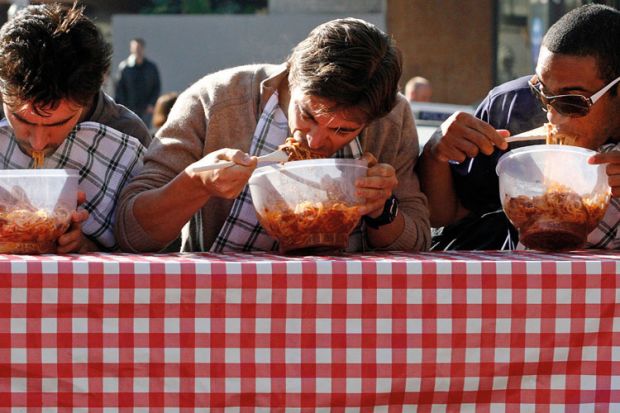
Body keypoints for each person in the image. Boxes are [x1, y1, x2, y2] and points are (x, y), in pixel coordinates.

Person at [115, 18, 431, 253]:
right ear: (291, 75)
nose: (316, 142)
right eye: (307, 116)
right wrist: (195, 184)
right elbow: (131, 232)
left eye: (342, 131)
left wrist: (381, 210)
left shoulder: (391, 120)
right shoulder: (214, 102)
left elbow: (418, 242)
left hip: (346, 301)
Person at [418, 4, 620, 250]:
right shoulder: (512, 105)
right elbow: (444, 214)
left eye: (571, 101)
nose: (552, 117)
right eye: (542, 92)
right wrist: (435, 153)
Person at [0, 4, 145, 252]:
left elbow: (151, 245)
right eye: (22, 120)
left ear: (89, 96)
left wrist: (87, 245)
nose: (37, 143)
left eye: (56, 124)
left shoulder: (127, 136)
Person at [115, 38, 161, 127]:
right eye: (135, 48)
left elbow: (156, 87)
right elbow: (119, 89)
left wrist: (152, 104)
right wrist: (122, 107)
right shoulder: (125, 67)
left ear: (143, 49)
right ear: (131, 49)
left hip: (146, 110)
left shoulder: (151, 67)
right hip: (129, 109)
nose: (137, 51)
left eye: (139, 48)